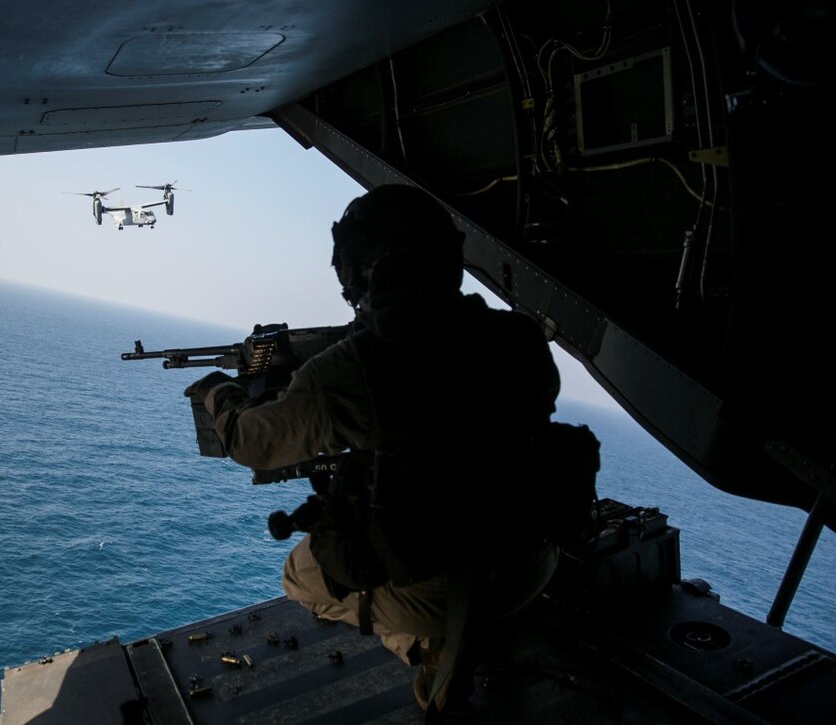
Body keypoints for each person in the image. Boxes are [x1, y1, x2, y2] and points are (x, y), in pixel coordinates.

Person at [184, 184, 563, 719]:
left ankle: (428, 648)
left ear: (362, 275)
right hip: (535, 560)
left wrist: (217, 392)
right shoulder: (519, 337)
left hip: (455, 592)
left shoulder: (355, 370)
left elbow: (252, 443)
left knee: (299, 575)